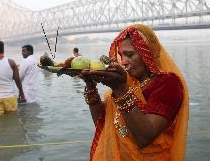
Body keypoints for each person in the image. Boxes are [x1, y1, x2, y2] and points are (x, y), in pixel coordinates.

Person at [79, 24, 189, 161]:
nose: (123, 62)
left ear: (149, 52)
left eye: (129, 54)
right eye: (121, 55)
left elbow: (144, 138)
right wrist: (90, 86)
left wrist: (119, 89)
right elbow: (102, 124)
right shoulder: (129, 83)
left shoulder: (167, 83)